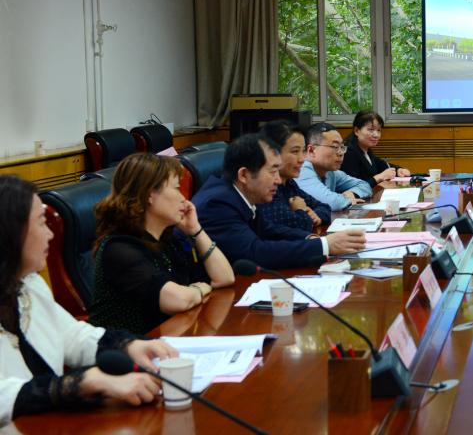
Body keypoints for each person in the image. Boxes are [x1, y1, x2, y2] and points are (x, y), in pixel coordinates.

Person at [0, 175, 177, 426]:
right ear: (11, 233)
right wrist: (81, 383)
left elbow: (72, 336)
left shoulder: (28, 284)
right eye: (41, 222)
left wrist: (127, 346)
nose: (49, 234)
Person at [90, 154, 235, 335]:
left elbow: (224, 278)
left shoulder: (166, 239)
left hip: (169, 338)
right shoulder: (119, 249)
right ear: (150, 194)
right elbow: (177, 300)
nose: (184, 198)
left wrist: (196, 230)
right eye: (177, 188)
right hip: (128, 348)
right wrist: (199, 289)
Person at [192, 134, 366, 269]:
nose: (277, 180)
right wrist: (324, 245)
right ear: (244, 175)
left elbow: (269, 229)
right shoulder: (218, 204)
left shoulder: (240, 193)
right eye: (272, 172)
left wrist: (310, 238)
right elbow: (254, 253)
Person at [256, 120, 331, 233]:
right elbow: (295, 224)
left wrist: (316, 216)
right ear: (272, 153)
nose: (302, 159)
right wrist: (301, 210)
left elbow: (325, 207)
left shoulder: (289, 183)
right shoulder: (266, 186)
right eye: (295, 151)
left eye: (303, 151)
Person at [297, 122, 373, 212]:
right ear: (312, 150)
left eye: (342, 147)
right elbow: (331, 202)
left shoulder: (331, 172)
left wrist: (352, 193)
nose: (341, 153)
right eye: (335, 146)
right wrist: (346, 200)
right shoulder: (301, 170)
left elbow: (365, 185)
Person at [340, 110, 411, 186]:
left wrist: (398, 170)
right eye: (371, 129)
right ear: (356, 131)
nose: (376, 135)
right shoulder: (348, 152)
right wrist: (379, 177)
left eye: (379, 130)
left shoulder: (366, 150)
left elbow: (382, 165)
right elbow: (352, 186)